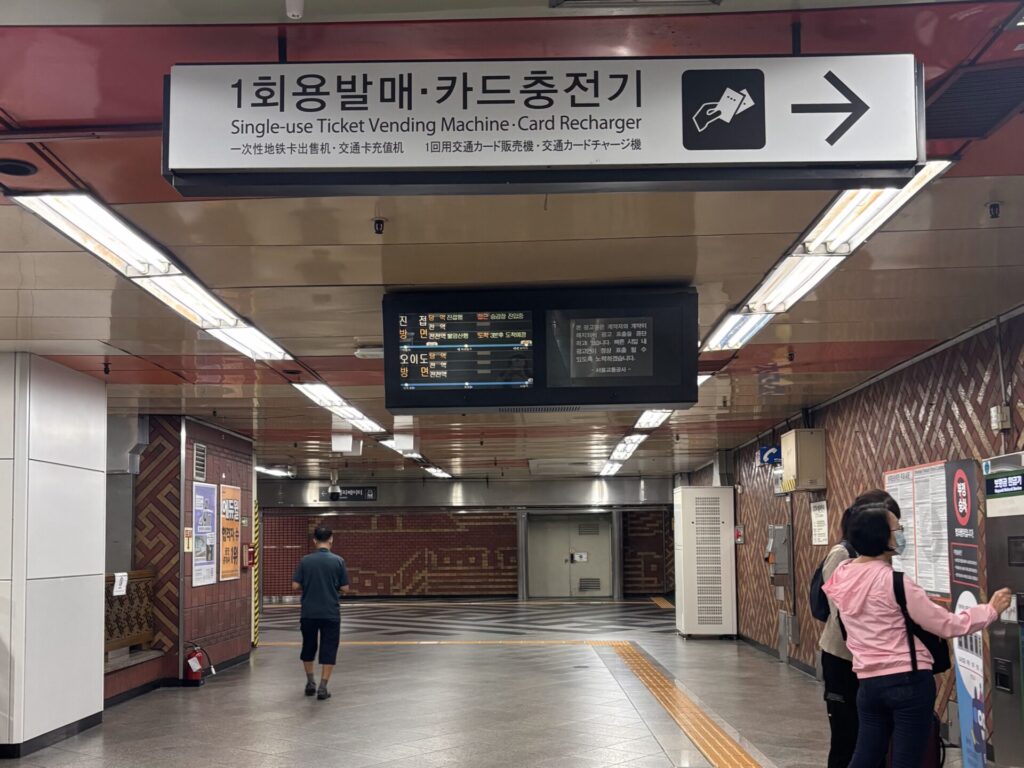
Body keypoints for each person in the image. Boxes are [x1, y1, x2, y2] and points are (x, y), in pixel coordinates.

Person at [824, 505, 1013, 768]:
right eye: (897, 528)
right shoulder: (895, 582)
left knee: (865, 755)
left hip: (868, 681)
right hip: (908, 682)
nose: (901, 533)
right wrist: (990, 610)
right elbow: (946, 625)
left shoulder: (841, 576)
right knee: (907, 760)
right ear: (882, 536)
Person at [819, 490, 900, 768]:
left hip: (873, 663)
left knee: (875, 740)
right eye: (892, 525)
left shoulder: (884, 558)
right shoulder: (842, 555)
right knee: (847, 738)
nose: (897, 533)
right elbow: (843, 615)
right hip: (844, 661)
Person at [292, 526, 350, 700]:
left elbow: (295, 585)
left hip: (308, 612)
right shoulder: (338, 561)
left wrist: (309, 584)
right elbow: (345, 588)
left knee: (308, 646)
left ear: (314, 540)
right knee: (329, 647)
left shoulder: (305, 561)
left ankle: (310, 682)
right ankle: (323, 687)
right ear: (331, 539)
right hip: (330, 612)